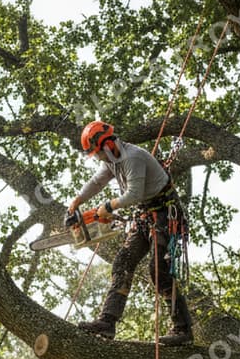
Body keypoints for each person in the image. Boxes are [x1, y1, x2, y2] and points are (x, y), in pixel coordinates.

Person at [66, 120, 193, 346]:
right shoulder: (112, 160)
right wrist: (78, 201)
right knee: (123, 261)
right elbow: (97, 182)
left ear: (106, 145)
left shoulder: (133, 157)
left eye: (97, 153)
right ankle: (107, 322)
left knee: (158, 270)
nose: (97, 158)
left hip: (165, 214)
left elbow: (133, 194)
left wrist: (108, 207)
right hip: (145, 216)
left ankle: (183, 329)